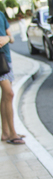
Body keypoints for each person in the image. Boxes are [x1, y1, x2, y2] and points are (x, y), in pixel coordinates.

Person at [0, 10, 22, 145]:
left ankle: (6, 132)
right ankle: (13, 134)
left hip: (5, 60)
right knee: (9, 93)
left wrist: (6, 38)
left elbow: (11, 37)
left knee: (6, 96)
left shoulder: (1, 14)